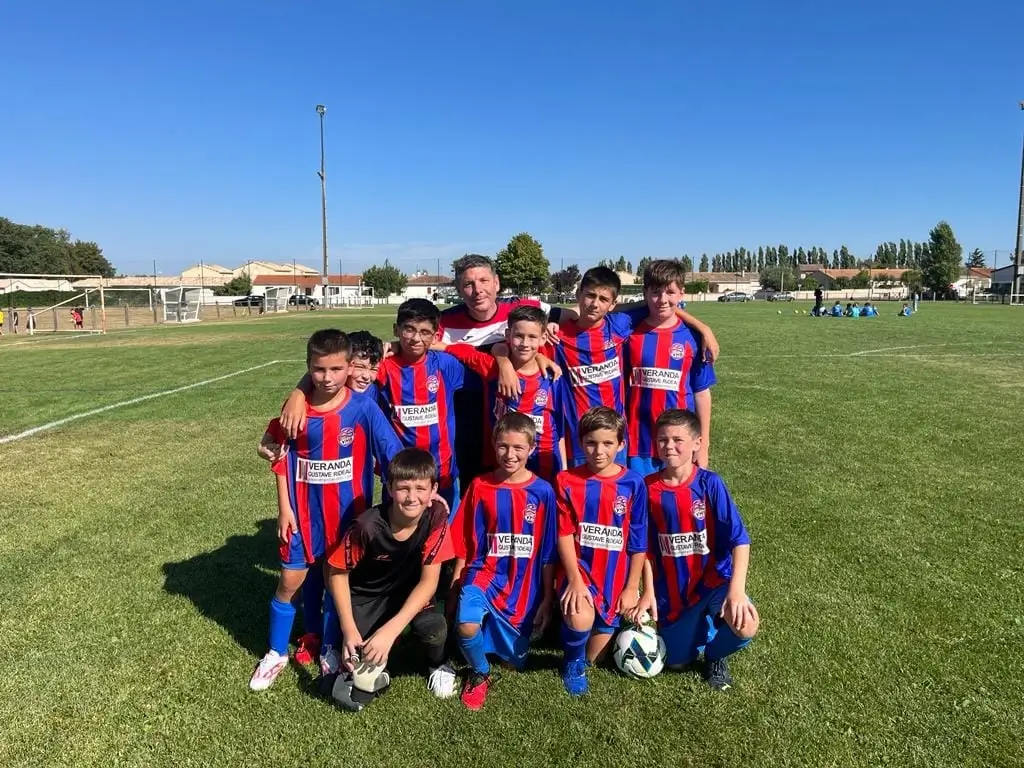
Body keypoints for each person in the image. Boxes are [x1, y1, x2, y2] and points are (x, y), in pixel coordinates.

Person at [249, 329, 402, 691]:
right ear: (308, 367)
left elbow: (394, 456)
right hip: (301, 515)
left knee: (338, 584)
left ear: (349, 367)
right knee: (290, 581)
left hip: (348, 517)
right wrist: (284, 508)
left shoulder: (363, 408)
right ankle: (275, 652)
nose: (327, 378)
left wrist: (422, 491)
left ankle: (330, 646)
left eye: (336, 369)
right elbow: (278, 457)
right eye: (319, 370)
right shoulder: (295, 411)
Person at [630, 409, 759, 691]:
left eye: (678, 440)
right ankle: (701, 627)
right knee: (677, 663)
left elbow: (740, 540)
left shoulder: (709, 484)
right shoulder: (647, 488)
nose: (669, 446)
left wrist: (736, 591)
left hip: (713, 582)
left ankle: (715, 655)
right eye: (663, 439)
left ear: (697, 443)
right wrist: (648, 591)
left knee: (747, 624)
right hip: (673, 592)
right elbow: (644, 548)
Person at [323, 448, 458, 710]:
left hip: (410, 589)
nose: (412, 497)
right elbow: (337, 574)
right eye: (403, 488)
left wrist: (390, 630)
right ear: (389, 488)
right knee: (357, 666)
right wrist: (349, 628)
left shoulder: (437, 516)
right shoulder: (367, 527)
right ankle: (369, 662)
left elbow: (429, 582)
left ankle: (438, 664)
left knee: (433, 628)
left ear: (433, 490)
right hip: (367, 596)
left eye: (420, 488)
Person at [450, 411, 558, 710]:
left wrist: (548, 598)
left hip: (523, 586)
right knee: (466, 625)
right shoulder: (480, 485)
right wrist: (456, 584)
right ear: (493, 444)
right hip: (484, 574)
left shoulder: (543, 492)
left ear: (531, 448)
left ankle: (498, 644)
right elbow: (465, 541)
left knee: (513, 665)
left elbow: (549, 552)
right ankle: (480, 672)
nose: (510, 455)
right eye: (503, 446)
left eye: (518, 448)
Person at [438, 254, 563, 489]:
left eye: (484, 281)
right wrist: (503, 361)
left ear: (496, 283)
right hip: (470, 420)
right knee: (483, 488)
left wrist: (538, 354)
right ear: (458, 289)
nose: (478, 290)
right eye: (468, 284)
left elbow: (572, 315)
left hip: (517, 419)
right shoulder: (445, 321)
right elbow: (421, 340)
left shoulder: (521, 308)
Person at [555, 407, 647, 696]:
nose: (599, 451)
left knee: (596, 657)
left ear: (621, 445)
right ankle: (572, 663)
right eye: (591, 443)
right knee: (579, 618)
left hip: (613, 578)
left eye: (608, 443)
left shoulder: (633, 483)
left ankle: (584, 630)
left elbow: (638, 541)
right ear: (580, 443)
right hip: (579, 572)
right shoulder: (566, 480)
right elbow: (564, 533)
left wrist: (631, 588)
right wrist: (574, 579)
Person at [624, 259, 716, 473]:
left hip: (681, 442)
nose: (663, 300)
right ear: (645, 293)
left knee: (677, 494)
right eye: (655, 293)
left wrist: (703, 445)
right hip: (639, 443)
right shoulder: (628, 333)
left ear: (681, 294)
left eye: (670, 292)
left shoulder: (694, 338)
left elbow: (702, 393)